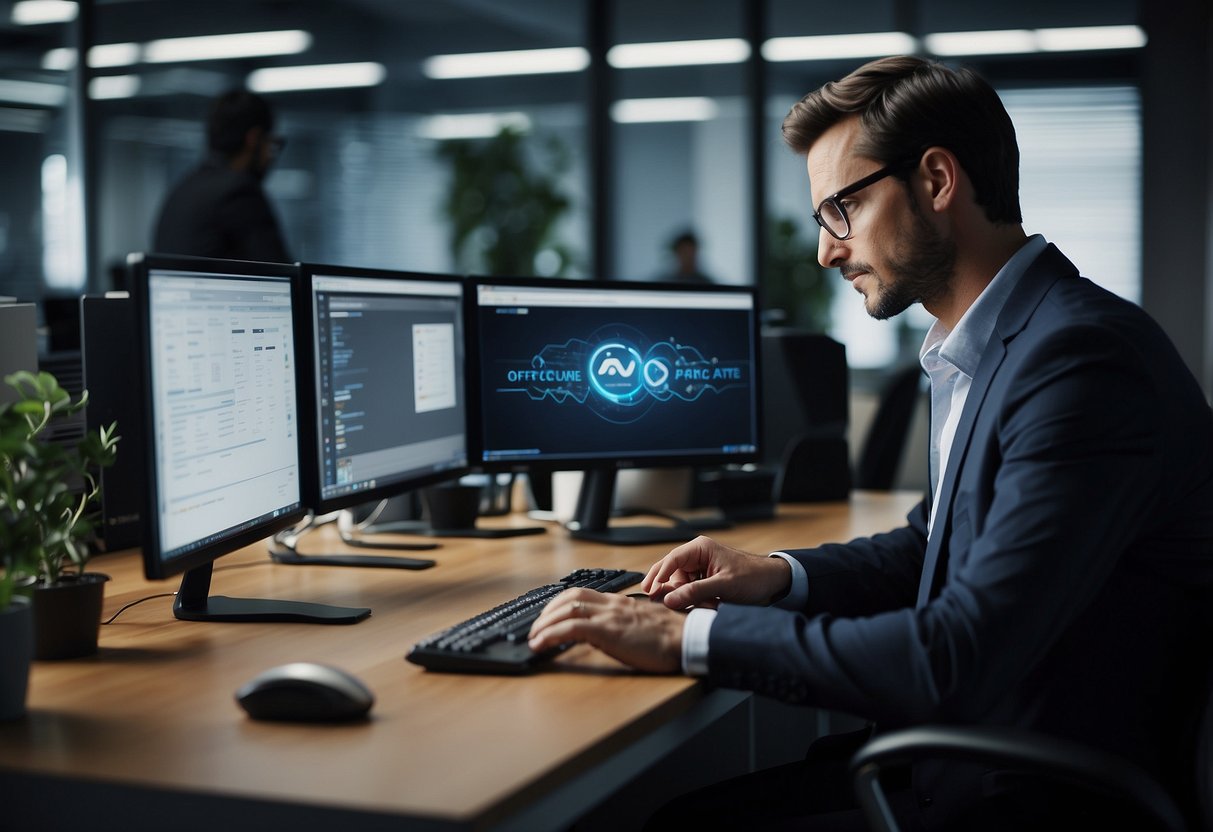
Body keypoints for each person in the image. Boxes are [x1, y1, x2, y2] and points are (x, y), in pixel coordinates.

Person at [528, 55, 1213, 830]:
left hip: (1022, 799)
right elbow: (933, 548)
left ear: (934, 181)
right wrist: (771, 574)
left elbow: (952, 658)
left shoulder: (1082, 362)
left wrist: (691, 637)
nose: (826, 250)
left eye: (839, 210)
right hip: (967, 757)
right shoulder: (1000, 345)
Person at [153, 89, 291, 262]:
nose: (271, 157)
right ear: (254, 138)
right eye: (272, 144)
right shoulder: (239, 193)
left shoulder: (182, 189)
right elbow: (284, 278)